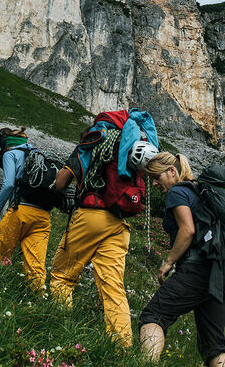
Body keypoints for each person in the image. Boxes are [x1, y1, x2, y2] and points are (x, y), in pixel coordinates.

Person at [47, 137, 159, 347]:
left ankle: (58, 331)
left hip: (91, 214)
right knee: (113, 287)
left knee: (63, 276)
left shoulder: (94, 142)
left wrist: (54, 190)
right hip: (119, 223)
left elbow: (62, 181)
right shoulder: (129, 148)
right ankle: (122, 347)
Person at [138, 152, 225, 367]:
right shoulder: (200, 191)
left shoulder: (178, 191)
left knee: (153, 316)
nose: (153, 183)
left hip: (196, 270)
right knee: (213, 347)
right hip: (220, 274)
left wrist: (168, 262)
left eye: (156, 176)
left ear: (172, 171)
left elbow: (187, 230)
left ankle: (144, 363)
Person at [0, 128, 54, 291]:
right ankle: (38, 299)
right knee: (36, 265)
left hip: (20, 210)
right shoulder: (40, 157)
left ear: (9, 145)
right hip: (43, 216)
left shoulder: (10, 154)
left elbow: (8, 184)